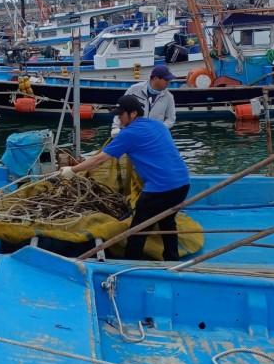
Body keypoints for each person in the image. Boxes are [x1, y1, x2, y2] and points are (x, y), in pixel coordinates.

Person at [62, 94, 189, 261]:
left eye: (121, 114)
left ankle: (129, 263)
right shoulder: (157, 125)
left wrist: (73, 170)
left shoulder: (128, 134)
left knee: (138, 229)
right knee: (167, 221)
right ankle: (172, 259)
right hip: (182, 184)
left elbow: (100, 159)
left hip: (160, 189)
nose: (119, 118)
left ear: (133, 113)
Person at [110, 64, 177, 135]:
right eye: (166, 80)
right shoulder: (133, 89)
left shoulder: (169, 97)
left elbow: (170, 119)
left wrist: (157, 129)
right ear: (155, 78)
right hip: (132, 133)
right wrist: (115, 128)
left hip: (153, 136)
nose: (169, 82)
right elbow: (121, 109)